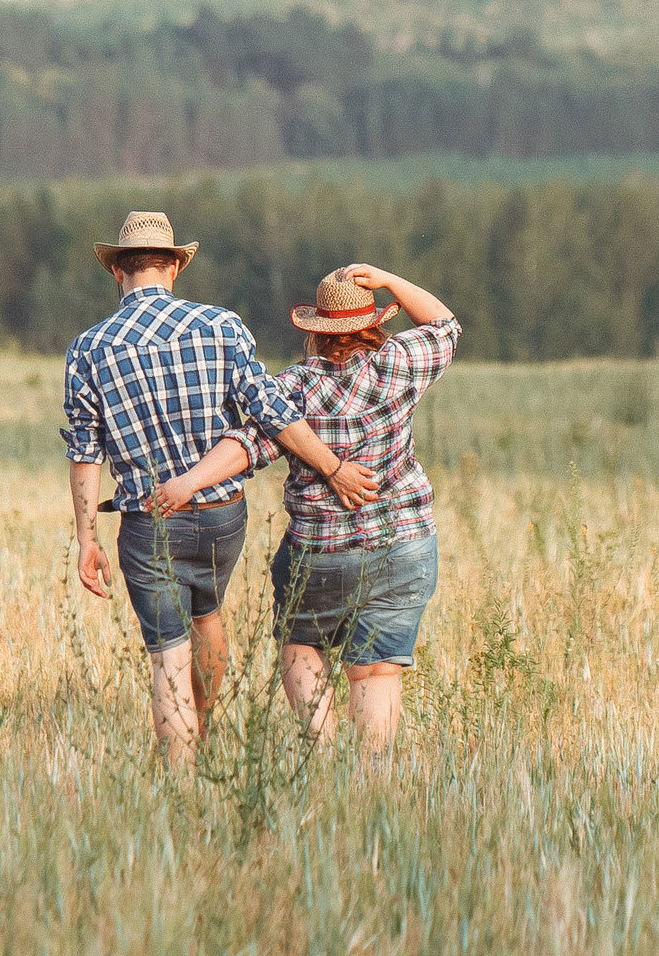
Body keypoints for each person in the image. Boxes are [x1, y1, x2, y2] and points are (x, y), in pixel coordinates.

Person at [62, 211, 376, 767]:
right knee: (207, 615)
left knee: (168, 658)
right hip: (221, 516)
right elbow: (272, 412)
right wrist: (334, 469)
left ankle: (180, 776)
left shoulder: (88, 349)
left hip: (147, 522)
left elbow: (85, 451)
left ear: (117, 271)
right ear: (175, 267)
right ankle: (203, 729)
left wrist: (87, 538)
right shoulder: (222, 326)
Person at [167, 262, 457, 753]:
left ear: (317, 330)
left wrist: (189, 482)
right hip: (404, 546)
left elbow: (245, 445)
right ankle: (370, 781)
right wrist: (388, 279)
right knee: (376, 671)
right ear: (373, 323)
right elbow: (445, 324)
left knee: (301, 645)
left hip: (320, 555)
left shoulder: (293, 387)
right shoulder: (400, 363)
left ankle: (319, 763)